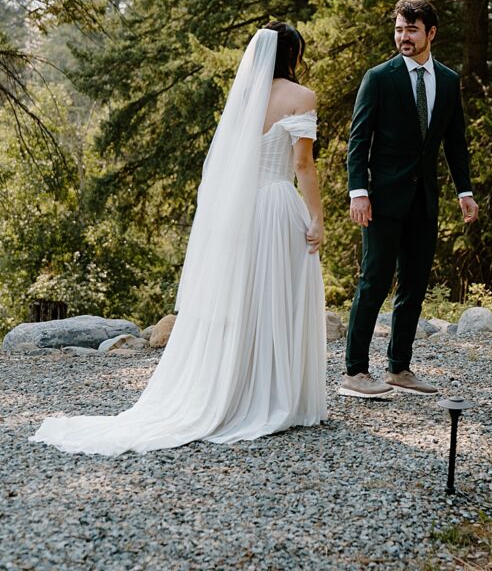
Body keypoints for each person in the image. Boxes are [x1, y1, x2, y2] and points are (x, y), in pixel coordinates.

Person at [31, 23, 327, 454]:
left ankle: (239, 389)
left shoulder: (244, 97)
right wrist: (316, 217)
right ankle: (276, 396)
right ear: (293, 53)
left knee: (246, 299)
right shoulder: (302, 98)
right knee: (277, 297)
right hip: (278, 206)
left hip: (242, 211)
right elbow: (303, 166)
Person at [341, 0, 478, 399]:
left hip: (425, 201)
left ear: (430, 33)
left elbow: (456, 142)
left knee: (414, 285)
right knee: (374, 282)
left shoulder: (449, 81)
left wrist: (464, 191)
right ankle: (355, 371)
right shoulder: (379, 77)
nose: (404, 36)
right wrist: (359, 192)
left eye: (412, 30)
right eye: (400, 29)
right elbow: (358, 139)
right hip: (381, 200)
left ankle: (399, 368)